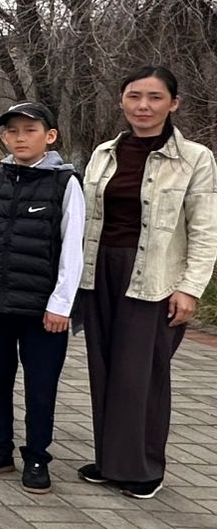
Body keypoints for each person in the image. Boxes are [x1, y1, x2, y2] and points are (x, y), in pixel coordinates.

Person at [78, 67, 217, 499]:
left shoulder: (194, 158)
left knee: (142, 375)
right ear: (122, 100)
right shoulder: (104, 153)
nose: (143, 106)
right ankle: (111, 461)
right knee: (104, 368)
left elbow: (205, 229)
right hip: (99, 271)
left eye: (155, 97)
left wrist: (190, 288)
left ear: (173, 104)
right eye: (134, 96)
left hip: (154, 276)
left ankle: (143, 468)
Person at [0, 101, 85, 495]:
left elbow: (73, 248)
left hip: (42, 310)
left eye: (30, 130)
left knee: (40, 386)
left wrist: (61, 303)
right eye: (12, 130)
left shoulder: (65, 183)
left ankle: (37, 457)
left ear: (50, 136)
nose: (20, 138)